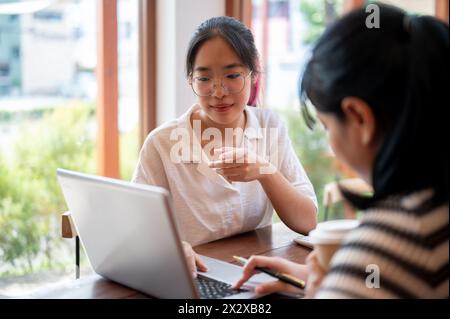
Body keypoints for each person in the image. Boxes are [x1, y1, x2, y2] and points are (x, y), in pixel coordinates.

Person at [233, 3, 449, 298]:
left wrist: (334, 287)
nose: (330, 146)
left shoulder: (391, 245)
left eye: (326, 126)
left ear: (359, 118)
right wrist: (338, 280)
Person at [132, 16, 318, 278]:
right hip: (193, 275)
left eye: (232, 75)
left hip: (255, 270)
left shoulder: (269, 127)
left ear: (253, 75)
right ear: (190, 80)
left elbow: (307, 221)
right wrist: (172, 248)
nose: (218, 92)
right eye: (204, 78)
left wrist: (265, 171)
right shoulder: (162, 144)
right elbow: (138, 229)